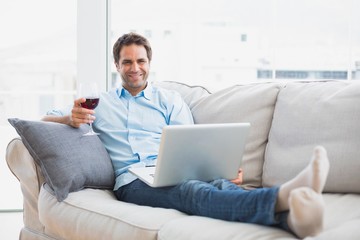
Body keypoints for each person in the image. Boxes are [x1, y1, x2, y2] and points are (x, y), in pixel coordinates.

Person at [43, 32, 330, 239]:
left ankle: (293, 221)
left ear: (149, 63)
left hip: (171, 171)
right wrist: (70, 117)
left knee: (218, 184)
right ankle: (283, 194)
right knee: (192, 193)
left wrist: (219, 168)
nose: (135, 68)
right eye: (127, 62)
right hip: (132, 182)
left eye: (140, 61)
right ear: (117, 65)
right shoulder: (101, 102)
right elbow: (45, 118)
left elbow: (192, 144)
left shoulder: (169, 100)